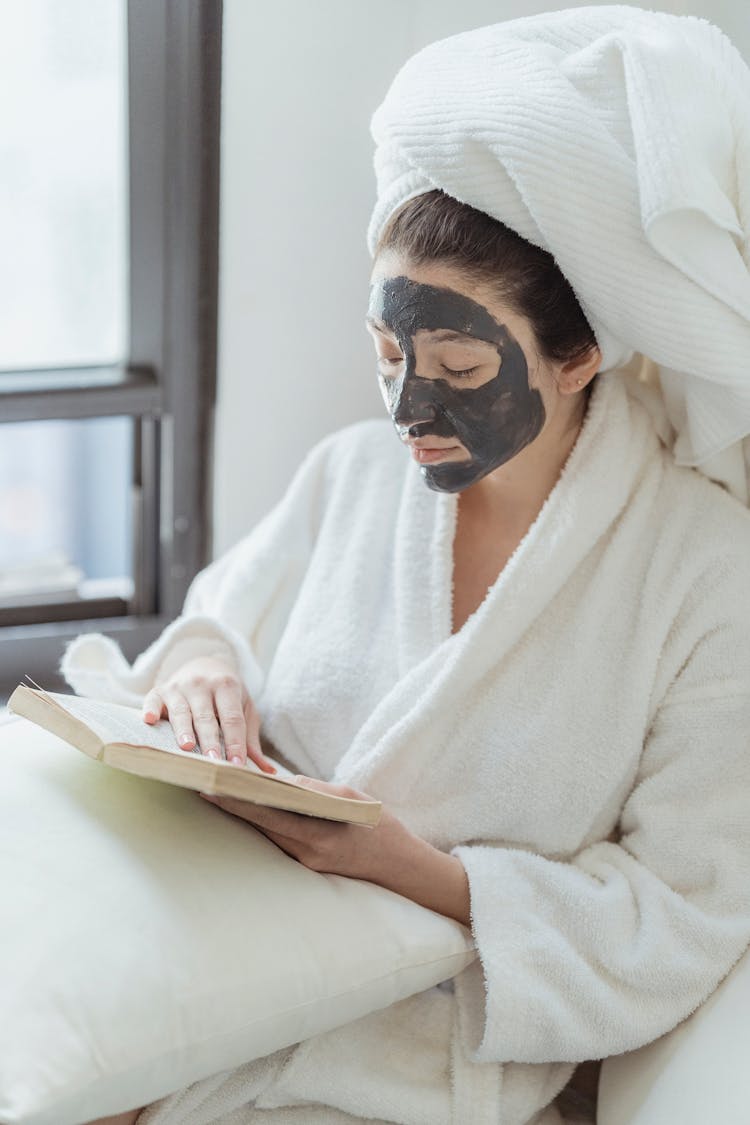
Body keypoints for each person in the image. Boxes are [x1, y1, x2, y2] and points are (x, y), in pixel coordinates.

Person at [74, 7, 750, 1124]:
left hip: (399, 1067)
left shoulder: (705, 573)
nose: (406, 408)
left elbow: (683, 911)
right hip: (193, 976)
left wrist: (409, 868)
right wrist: (198, 675)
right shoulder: (350, 475)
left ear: (581, 356)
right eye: (387, 353)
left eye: (458, 363)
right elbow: (216, 626)